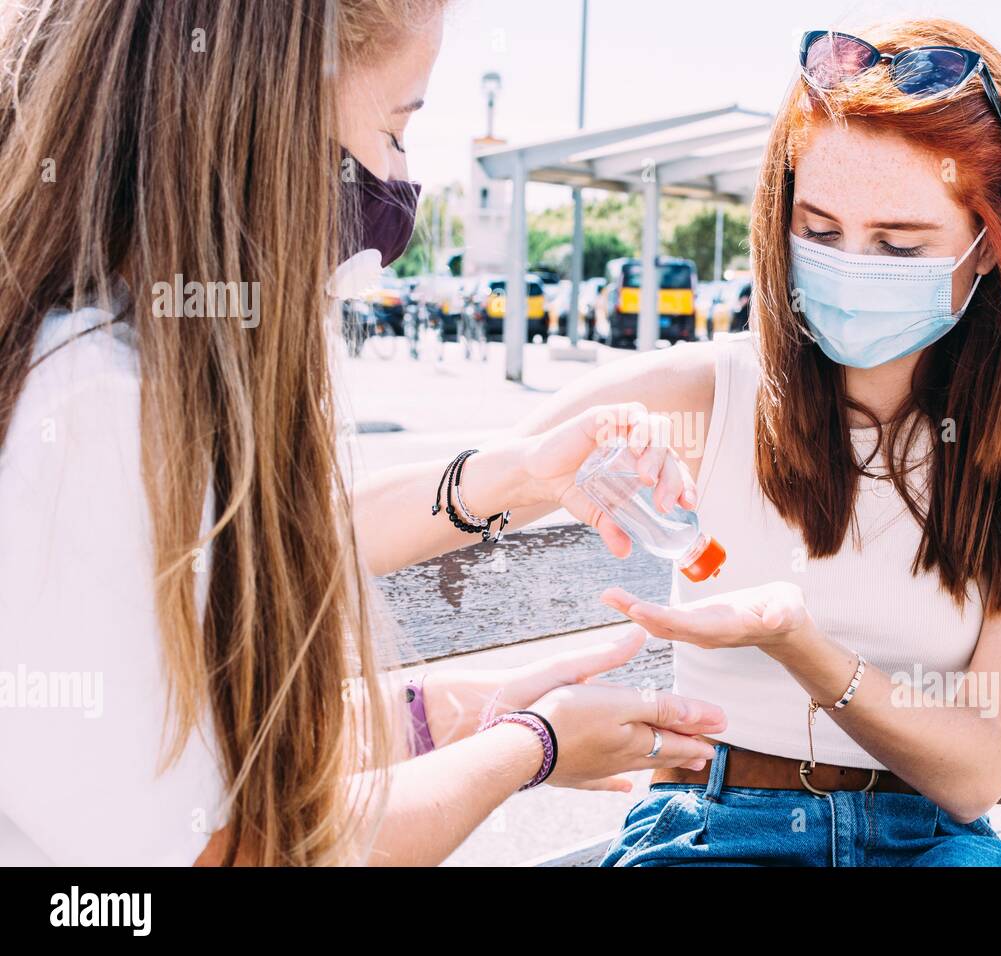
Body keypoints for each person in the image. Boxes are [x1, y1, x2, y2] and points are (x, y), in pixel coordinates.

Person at [0, 0, 724, 866]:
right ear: (260, 117)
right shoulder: (96, 419)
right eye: (395, 129)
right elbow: (232, 854)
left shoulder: (115, 371)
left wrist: (524, 480)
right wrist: (531, 745)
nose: (400, 191)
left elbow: (266, 576)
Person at [517, 17, 1001, 866]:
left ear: (990, 247)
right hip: (714, 830)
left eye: (899, 244)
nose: (850, 267)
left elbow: (975, 773)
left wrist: (802, 647)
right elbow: (452, 492)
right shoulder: (702, 392)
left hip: (935, 838)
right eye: (819, 233)